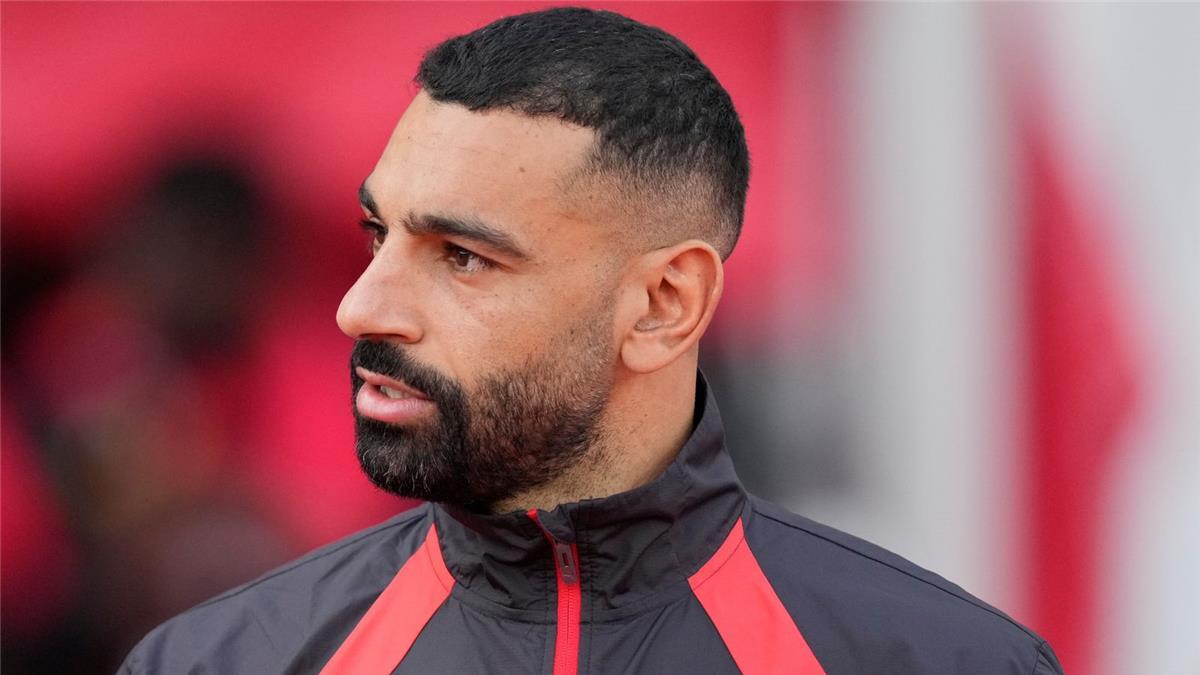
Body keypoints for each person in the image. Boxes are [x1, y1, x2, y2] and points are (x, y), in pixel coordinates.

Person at [120, 8, 1062, 674]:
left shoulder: (943, 660)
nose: (361, 308)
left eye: (463, 257)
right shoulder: (219, 659)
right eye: (380, 235)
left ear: (663, 304)